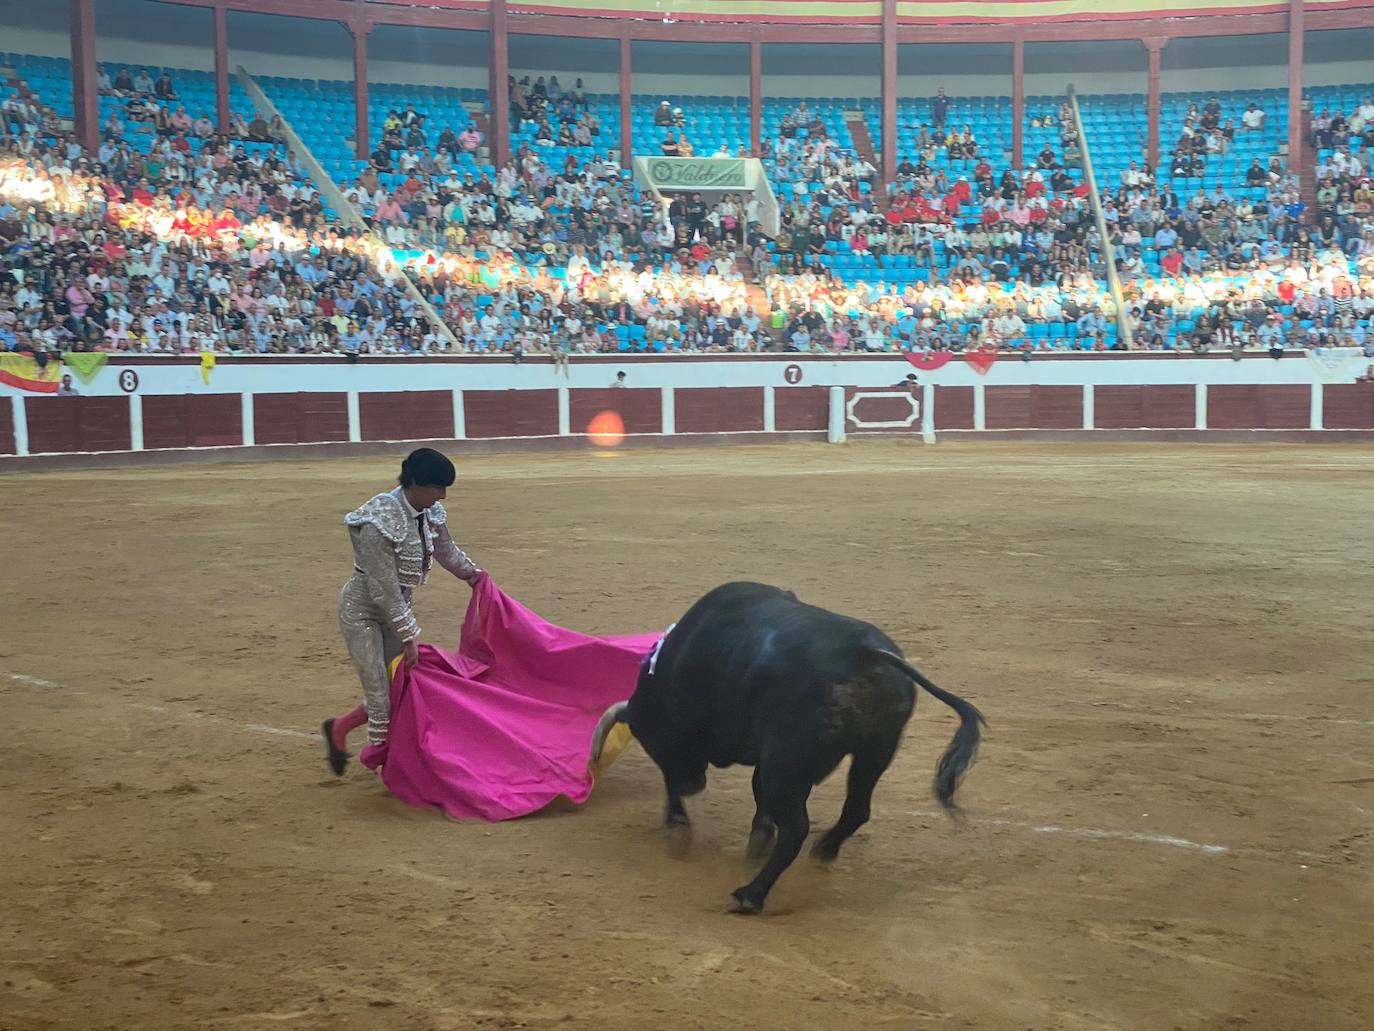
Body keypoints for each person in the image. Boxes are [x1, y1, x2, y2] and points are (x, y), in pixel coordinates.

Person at [323, 448, 482, 775]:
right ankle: (392, 770)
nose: (443, 496)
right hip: (362, 611)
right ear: (417, 484)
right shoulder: (378, 520)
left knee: (398, 687)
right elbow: (382, 589)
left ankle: (339, 727)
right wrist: (409, 637)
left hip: (397, 608)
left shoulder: (429, 511)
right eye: (438, 488)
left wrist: (474, 576)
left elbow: (446, 550)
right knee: (380, 694)